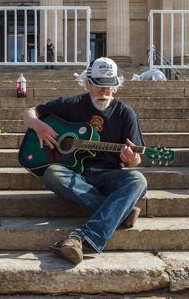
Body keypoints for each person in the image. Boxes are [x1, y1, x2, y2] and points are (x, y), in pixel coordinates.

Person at [22, 57, 147, 265]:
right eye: (99, 86)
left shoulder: (126, 113)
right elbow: (29, 112)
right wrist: (37, 125)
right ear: (88, 83)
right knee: (53, 173)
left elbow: (136, 160)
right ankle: (120, 211)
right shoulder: (70, 104)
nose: (104, 92)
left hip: (109, 175)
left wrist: (132, 159)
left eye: (109, 87)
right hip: (75, 174)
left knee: (138, 180)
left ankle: (80, 237)